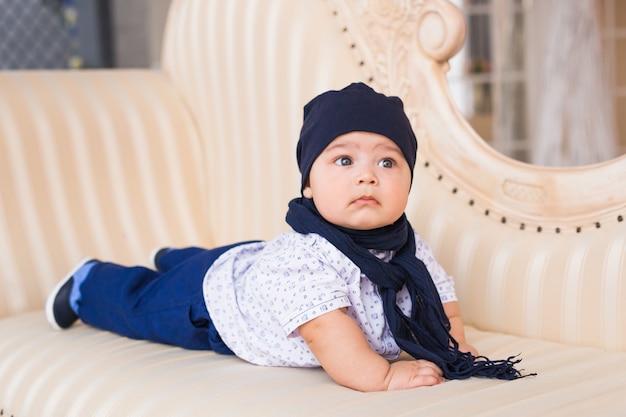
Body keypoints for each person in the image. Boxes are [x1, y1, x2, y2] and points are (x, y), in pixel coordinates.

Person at [46, 82, 529, 392]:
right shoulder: (305, 258)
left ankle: (175, 256)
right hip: (219, 305)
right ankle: (91, 282)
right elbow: (328, 332)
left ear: (408, 181)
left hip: (253, 262)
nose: (368, 176)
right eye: (344, 160)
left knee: (222, 258)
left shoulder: (408, 247)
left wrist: (456, 349)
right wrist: (382, 376)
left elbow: (443, 303)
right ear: (308, 185)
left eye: (388, 161)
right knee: (144, 306)